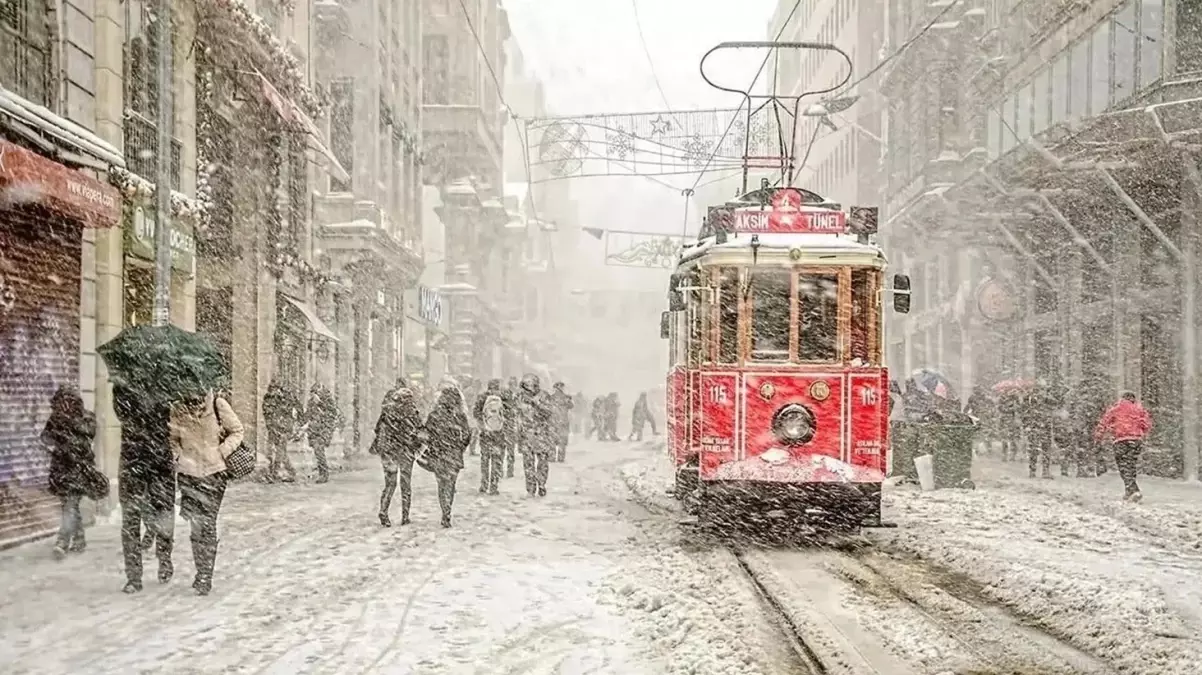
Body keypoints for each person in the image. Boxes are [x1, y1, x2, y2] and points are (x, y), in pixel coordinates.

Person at [168, 389, 244, 595]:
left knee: (207, 523)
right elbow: (173, 439)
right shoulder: (178, 409)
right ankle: (201, 568)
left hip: (214, 474)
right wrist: (178, 457)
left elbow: (237, 431)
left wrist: (221, 451)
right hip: (189, 475)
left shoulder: (218, 404)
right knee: (195, 524)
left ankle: (205, 575)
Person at [113, 381, 175, 594]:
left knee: (164, 513)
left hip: (159, 463)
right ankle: (133, 576)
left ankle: (164, 558)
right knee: (130, 519)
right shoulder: (123, 387)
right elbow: (121, 413)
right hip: (133, 463)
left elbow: (173, 420)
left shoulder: (168, 385)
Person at [41, 386, 97, 559]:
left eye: (68, 400)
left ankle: (62, 541)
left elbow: (89, 434)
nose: (65, 405)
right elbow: (45, 437)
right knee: (69, 506)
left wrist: (69, 427)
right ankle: (79, 539)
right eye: (61, 401)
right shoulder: (56, 418)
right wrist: (55, 431)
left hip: (79, 469)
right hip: (61, 469)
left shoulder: (87, 417)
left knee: (70, 505)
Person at [372, 386, 423, 526]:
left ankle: (383, 511)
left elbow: (377, 429)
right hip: (405, 450)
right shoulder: (412, 411)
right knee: (406, 484)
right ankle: (405, 516)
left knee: (390, 483)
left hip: (388, 451)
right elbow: (419, 430)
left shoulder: (387, 411)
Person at [425, 387, 472, 526]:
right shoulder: (460, 416)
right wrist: (460, 447)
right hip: (454, 453)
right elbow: (467, 434)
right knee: (451, 484)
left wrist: (433, 445)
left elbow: (427, 433)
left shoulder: (434, 415)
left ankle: (444, 509)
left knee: (441, 484)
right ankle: (447, 510)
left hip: (439, 453)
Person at [1094, 391, 1152, 502]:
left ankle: (1133, 490)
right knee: (1131, 465)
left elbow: (1103, 423)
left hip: (1120, 440)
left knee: (1123, 466)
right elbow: (1146, 424)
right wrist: (1141, 433)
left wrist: (1098, 438)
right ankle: (1129, 491)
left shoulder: (1115, 409)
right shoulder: (1139, 410)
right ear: (1133, 399)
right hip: (1136, 441)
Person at [516, 374, 554, 496]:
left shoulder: (544, 395)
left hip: (541, 433)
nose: (526, 389)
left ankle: (541, 483)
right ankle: (530, 487)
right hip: (526, 434)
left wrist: (536, 404)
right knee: (528, 464)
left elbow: (549, 412)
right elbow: (516, 414)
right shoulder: (520, 397)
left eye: (528, 385)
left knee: (542, 462)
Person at [474, 379, 510, 494]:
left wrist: (483, 426)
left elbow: (476, 413)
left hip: (486, 433)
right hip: (499, 434)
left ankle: (484, 484)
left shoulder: (482, 397)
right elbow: (509, 415)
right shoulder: (503, 398)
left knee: (485, 459)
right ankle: (494, 485)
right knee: (497, 459)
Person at [262, 378, 301, 482]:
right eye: (272, 388)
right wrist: (271, 427)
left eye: (276, 388)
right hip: (273, 428)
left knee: (280, 451)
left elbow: (292, 412)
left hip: (283, 429)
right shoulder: (269, 398)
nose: (274, 391)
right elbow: (267, 414)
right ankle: (291, 472)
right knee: (278, 452)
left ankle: (274, 473)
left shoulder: (285, 398)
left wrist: (290, 426)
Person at [305, 384, 341, 483]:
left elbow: (333, 413)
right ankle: (323, 472)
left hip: (323, 430)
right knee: (318, 452)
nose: (312, 395)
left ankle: (324, 473)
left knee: (318, 449)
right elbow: (308, 415)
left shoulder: (327, 401)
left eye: (314, 393)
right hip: (314, 430)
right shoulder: (311, 402)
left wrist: (320, 404)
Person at [549, 382, 573, 462]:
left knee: (552, 441)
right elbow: (571, 406)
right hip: (562, 422)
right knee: (561, 441)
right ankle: (560, 458)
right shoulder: (566, 398)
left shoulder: (551, 398)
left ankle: (552, 457)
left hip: (553, 422)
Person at [504, 376, 521, 477]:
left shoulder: (516, 395)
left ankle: (509, 469)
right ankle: (509, 469)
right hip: (509, 425)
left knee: (508, 450)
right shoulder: (516, 395)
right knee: (509, 449)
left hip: (508, 426)